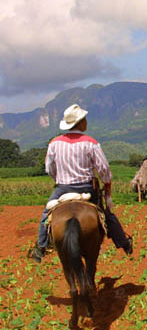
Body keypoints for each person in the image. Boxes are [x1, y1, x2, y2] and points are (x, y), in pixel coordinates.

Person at [29, 104, 133, 262]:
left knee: (46, 214)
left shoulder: (54, 143)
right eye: (84, 119)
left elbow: (49, 168)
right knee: (106, 214)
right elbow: (104, 168)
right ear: (80, 123)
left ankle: (41, 247)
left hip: (62, 189)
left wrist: (58, 179)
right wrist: (106, 182)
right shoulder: (91, 143)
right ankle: (123, 242)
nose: (86, 122)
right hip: (86, 187)